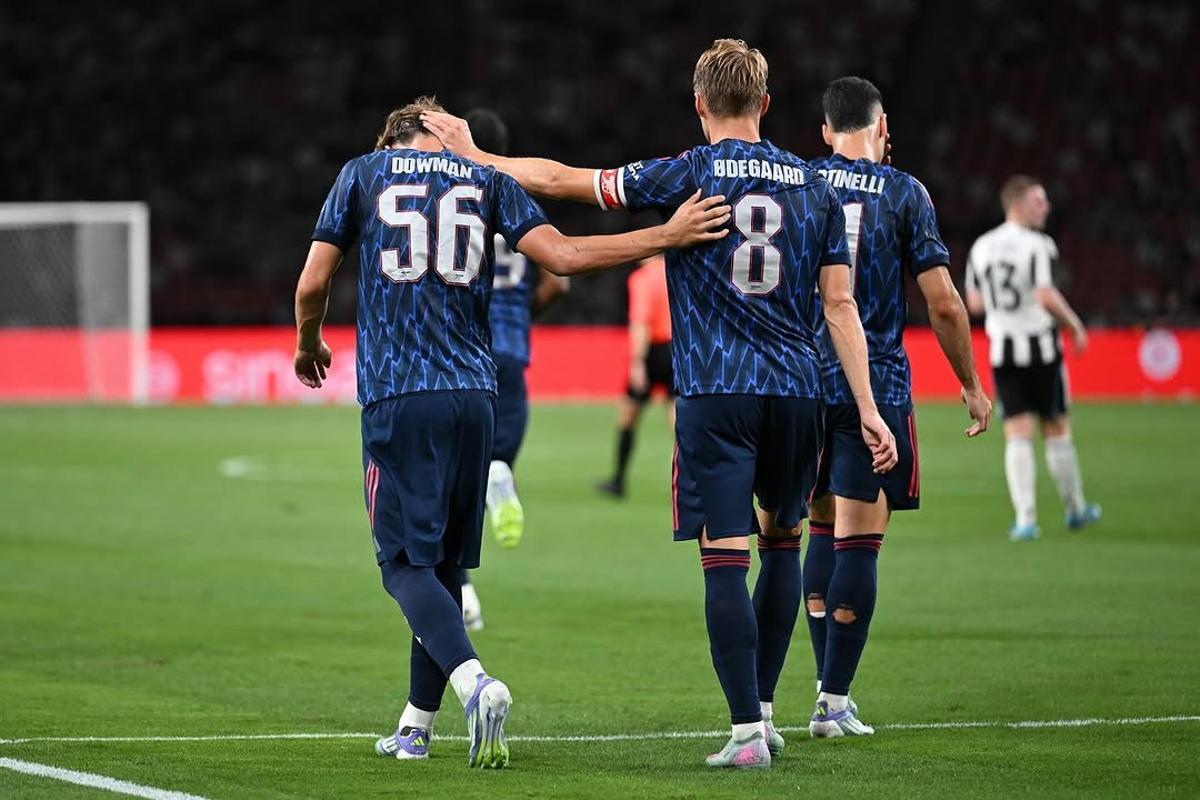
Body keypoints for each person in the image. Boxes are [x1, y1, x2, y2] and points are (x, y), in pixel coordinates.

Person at [422, 39, 898, 769]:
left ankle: (745, 734)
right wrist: (865, 406)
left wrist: (478, 156)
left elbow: (563, 181)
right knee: (782, 548)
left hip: (715, 392)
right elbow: (840, 305)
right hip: (801, 392)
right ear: (766, 105)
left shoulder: (689, 173)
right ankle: (769, 712)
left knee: (723, 561)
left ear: (701, 103)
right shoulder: (813, 183)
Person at [292, 96, 730, 769]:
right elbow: (563, 256)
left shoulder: (362, 174)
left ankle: (474, 684)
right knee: (444, 565)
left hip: (401, 393)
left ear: (395, 139)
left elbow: (313, 282)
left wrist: (307, 343)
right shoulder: (490, 182)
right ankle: (415, 728)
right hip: (476, 396)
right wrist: (663, 236)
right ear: (445, 133)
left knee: (403, 565)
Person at [802, 77, 992, 737]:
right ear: (883, 129)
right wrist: (970, 381)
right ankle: (832, 700)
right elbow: (941, 301)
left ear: (827, 132)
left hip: (801, 381)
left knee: (819, 528)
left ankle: (815, 696)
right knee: (860, 539)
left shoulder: (799, 180)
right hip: (873, 380)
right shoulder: (904, 193)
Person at [457, 109, 569, 633]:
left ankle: (460, 588)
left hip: (464, 348)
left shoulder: (458, 195)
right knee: (492, 462)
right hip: (512, 347)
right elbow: (559, 281)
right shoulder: (519, 198)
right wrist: (521, 312)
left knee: (453, 481)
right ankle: (499, 472)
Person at [965, 176, 1101, 541]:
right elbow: (1044, 295)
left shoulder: (982, 246)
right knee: (1056, 427)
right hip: (1040, 349)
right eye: (1040, 200)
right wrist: (1074, 324)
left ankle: (1025, 520)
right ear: (1019, 203)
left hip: (1003, 352)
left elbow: (975, 303)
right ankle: (1075, 509)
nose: (1047, 207)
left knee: (1017, 433)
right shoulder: (1039, 245)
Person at [596, 256, 674, 499]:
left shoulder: (642, 278)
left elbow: (640, 321)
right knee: (678, 422)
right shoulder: (675, 272)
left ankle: (618, 480)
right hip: (677, 350)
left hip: (652, 352)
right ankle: (693, 481)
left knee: (628, 417)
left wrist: (637, 362)